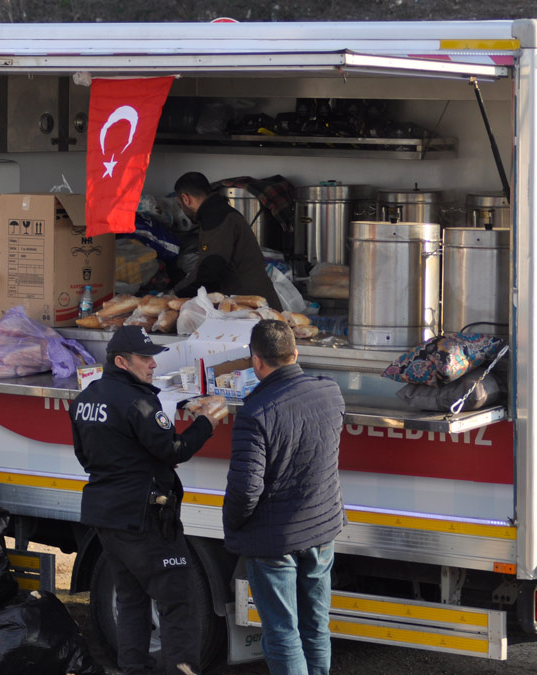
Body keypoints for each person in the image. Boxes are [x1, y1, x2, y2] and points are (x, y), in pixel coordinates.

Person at [70, 325, 228, 675]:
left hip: (107, 517)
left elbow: (84, 456)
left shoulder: (85, 399)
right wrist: (206, 423)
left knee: (130, 601)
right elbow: (172, 450)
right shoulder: (138, 402)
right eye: (145, 358)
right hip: (145, 519)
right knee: (179, 604)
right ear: (122, 361)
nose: (153, 365)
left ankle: (134, 670)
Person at [222, 320, 346, 675]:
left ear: (256, 362)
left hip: (275, 540)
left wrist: (233, 525)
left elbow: (246, 489)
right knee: (315, 627)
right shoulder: (330, 392)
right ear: (295, 353)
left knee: (282, 633)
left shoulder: (255, 413)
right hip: (322, 529)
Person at [172, 171, 284, 310]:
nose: (182, 209)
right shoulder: (219, 213)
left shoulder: (216, 219)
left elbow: (211, 268)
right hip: (250, 302)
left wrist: (177, 293)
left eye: (179, 204)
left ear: (186, 199)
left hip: (251, 306)